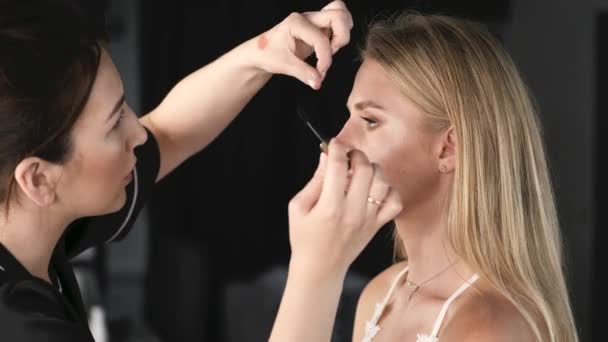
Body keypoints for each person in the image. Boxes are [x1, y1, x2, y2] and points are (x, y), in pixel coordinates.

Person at [0, 1, 405, 341]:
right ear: (38, 179)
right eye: (113, 123)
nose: (138, 132)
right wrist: (320, 266)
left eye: (125, 107)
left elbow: (170, 132)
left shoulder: (27, 221)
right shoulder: (21, 327)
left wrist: (262, 53)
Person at [270, 12, 579, 342]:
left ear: (448, 149)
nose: (340, 141)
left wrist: (315, 270)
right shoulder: (381, 295)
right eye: (350, 117)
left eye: (370, 121)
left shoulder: (488, 329)